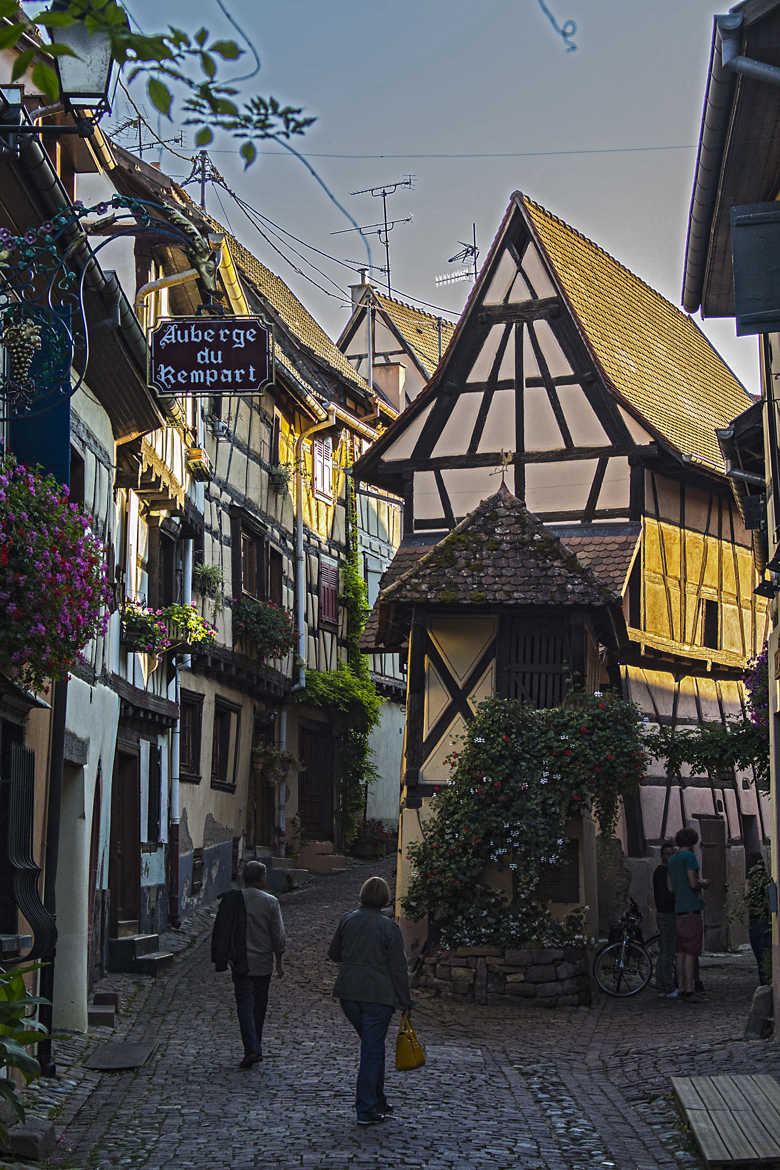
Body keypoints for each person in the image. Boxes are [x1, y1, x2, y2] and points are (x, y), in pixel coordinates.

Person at [328, 876, 412, 1127]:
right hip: (378, 996)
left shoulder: (348, 920)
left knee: (372, 1047)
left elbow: (334, 953)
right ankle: (366, 1107)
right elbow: (398, 968)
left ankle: (377, 1100)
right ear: (385, 898)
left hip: (349, 993)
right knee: (372, 1050)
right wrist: (405, 1000)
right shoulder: (389, 927)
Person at [211, 860, 286, 1068]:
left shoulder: (234, 899)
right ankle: (255, 1046)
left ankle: (252, 1047)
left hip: (240, 960)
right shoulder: (270, 902)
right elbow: (278, 935)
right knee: (259, 1006)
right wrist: (279, 961)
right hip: (262, 961)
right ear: (262, 879)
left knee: (244, 1005)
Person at [667, 827, 709, 1001]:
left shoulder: (672, 859)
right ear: (693, 841)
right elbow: (693, 882)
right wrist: (703, 883)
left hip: (678, 909)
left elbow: (670, 887)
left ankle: (682, 986)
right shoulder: (689, 857)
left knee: (680, 952)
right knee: (691, 951)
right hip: (691, 908)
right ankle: (690, 989)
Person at [653, 842, 677, 997]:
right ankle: (666, 984)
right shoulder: (662, 871)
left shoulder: (663, 871)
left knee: (666, 950)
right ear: (662, 855)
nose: (669, 857)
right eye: (667, 854)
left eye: (671, 854)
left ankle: (661, 982)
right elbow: (666, 894)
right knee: (667, 951)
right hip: (666, 913)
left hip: (665, 912)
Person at [746, 853, 771, 986]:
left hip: (756, 920)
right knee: (764, 956)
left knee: (760, 957)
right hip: (763, 919)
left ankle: (765, 986)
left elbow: (747, 900)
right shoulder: (765, 878)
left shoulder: (751, 880)